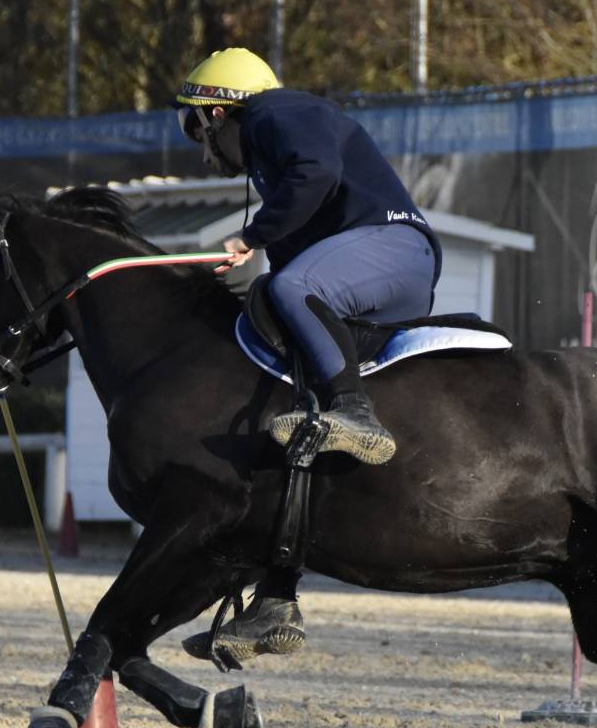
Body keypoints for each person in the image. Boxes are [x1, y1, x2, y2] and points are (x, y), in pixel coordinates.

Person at [173, 47, 442, 665]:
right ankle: (276, 597)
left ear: (218, 111)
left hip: (393, 249)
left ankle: (357, 410)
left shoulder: (274, 112)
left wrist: (250, 236)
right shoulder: (274, 144)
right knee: (299, 409)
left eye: (197, 128)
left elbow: (314, 174)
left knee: (288, 287)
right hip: (379, 261)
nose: (203, 149)